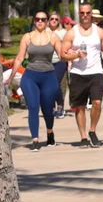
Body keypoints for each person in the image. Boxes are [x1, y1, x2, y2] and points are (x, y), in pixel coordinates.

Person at [5, 11, 64, 151]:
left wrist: (75, 57)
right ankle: (35, 140)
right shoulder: (27, 37)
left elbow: (62, 55)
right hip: (30, 76)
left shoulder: (53, 37)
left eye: (43, 19)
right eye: (37, 19)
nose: (40, 21)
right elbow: (19, 58)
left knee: (48, 109)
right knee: (32, 106)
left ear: (47, 21)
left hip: (48, 76)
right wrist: (11, 77)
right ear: (34, 20)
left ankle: (50, 132)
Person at [62, 2, 103, 148]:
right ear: (79, 14)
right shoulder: (72, 33)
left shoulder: (100, 32)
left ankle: (92, 130)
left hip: (96, 72)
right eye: (82, 13)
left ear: (92, 14)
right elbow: (62, 55)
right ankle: (83, 137)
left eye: (87, 13)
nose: (85, 16)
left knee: (97, 103)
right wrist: (76, 55)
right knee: (80, 107)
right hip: (78, 73)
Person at [48, 12, 68, 119]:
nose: (54, 21)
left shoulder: (63, 33)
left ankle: (60, 106)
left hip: (60, 61)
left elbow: (68, 47)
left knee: (55, 84)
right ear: (48, 20)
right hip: (47, 62)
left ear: (59, 21)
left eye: (56, 19)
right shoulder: (43, 32)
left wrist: (69, 62)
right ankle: (51, 107)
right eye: (52, 19)